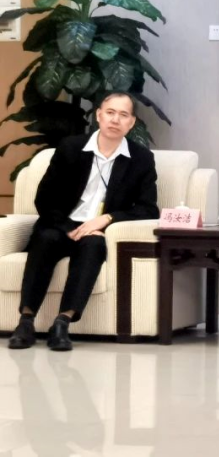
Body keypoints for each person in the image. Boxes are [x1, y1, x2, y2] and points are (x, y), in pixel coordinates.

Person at [8, 92, 158, 352]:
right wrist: (69, 228)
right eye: (110, 112)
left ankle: (62, 323)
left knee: (94, 246)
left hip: (96, 231)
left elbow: (148, 208)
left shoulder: (141, 158)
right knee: (45, 239)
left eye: (123, 115)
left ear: (132, 122)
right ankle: (26, 321)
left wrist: (107, 219)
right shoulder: (71, 147)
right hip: (60, 225)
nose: (115, 120)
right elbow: (45, 199)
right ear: (98, 115)